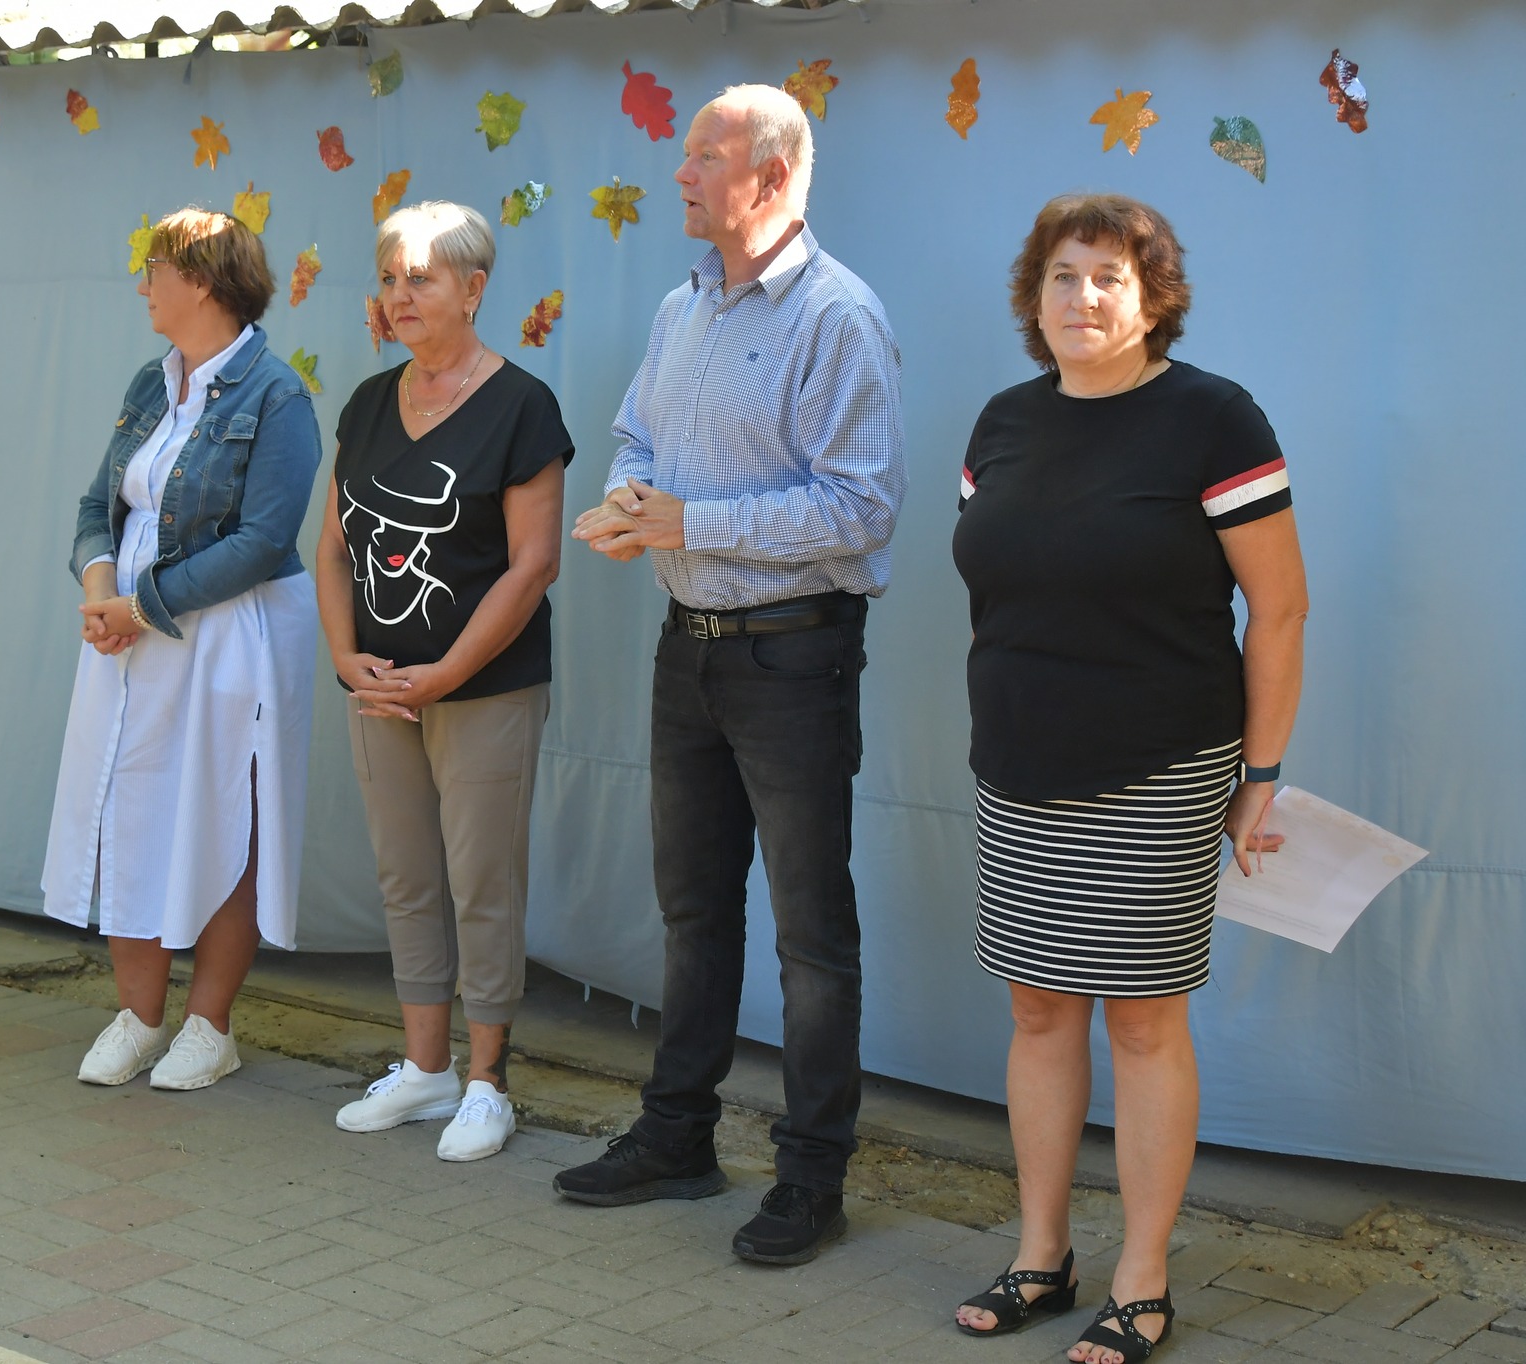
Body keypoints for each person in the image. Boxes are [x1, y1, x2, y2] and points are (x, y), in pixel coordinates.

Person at [948, 194, 1307, 1364]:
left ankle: (1141, 1275)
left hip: (1157, 766)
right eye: (1062, 274)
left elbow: (1279, 608)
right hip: (1017, 760)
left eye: (1109, 276)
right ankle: (1039, 1253)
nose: (1082, 296)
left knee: (1143, 1021)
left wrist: (1258, 773)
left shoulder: (1210, 418)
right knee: (1036, 1006)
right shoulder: (1002, 422)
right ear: (1032, 295)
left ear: (1153, 300)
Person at [562, 85, 906, 1264]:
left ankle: (811, 1176)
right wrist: (629, 502)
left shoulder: (837, 316)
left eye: (702, 155)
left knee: (810, 933)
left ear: (769, 176)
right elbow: (638, 436)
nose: (680, 174)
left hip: (794, 654)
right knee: (693, 909)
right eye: (685, 155)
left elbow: (860, 508)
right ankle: (678, 1136)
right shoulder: (683, 305)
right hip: (688, 647)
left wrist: (689, 523)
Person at [41, 208, 322, 1093]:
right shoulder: (149, 383)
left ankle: (210, 1026)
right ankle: (140, 1017)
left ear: (199, 282)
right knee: (126, 808)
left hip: (229, 639)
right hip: (127, 637)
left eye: (155, 270)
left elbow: (263, 540)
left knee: (221, 818)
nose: (143, 287)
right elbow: (98, 505)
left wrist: (140, 605)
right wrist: (101, 593)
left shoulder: (277, 396)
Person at [316, 201, 572, 1162]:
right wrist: (345, 657)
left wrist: (446, 674)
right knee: (406, 876)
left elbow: (534, 564)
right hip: (380, 688)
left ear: (474, 289)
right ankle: (425, 1069)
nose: (399, 295)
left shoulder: (523, 406)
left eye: (420, 278)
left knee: (482, 882)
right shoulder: (366, 404)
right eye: (389, 279)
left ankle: (487, 1083)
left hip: (484, 690)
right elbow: (332, 548)